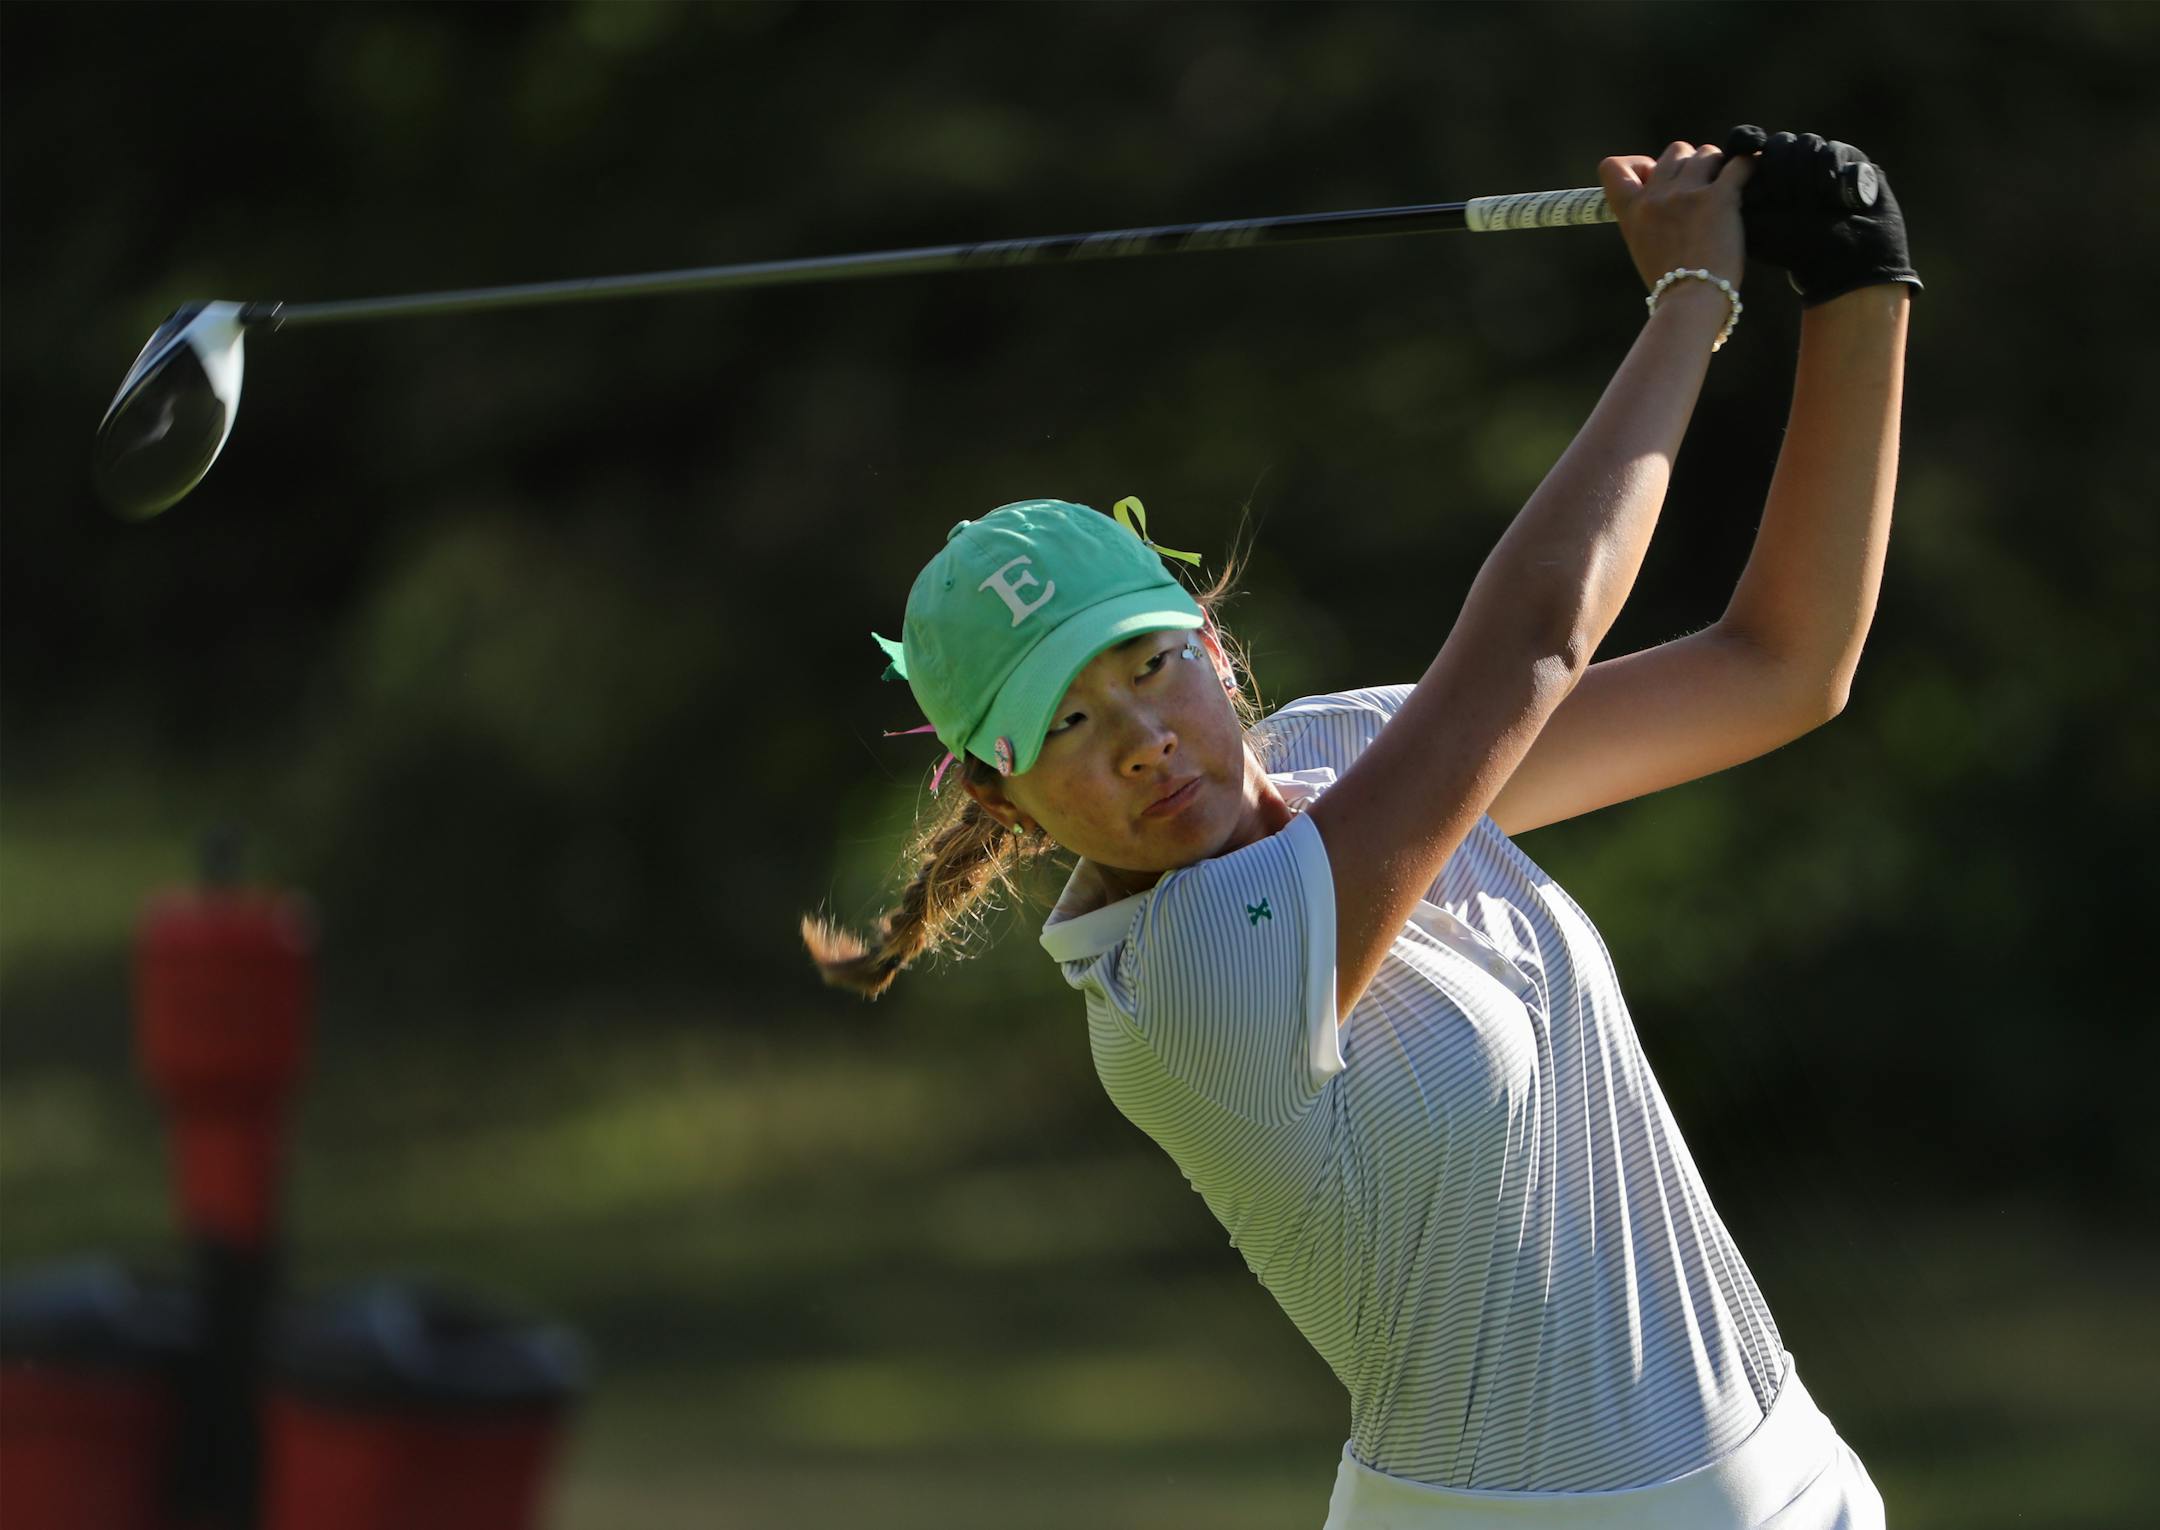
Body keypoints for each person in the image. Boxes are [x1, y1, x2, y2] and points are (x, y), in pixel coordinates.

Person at [804, 128, 1915, 1529]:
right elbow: (1531, 641)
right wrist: (1691, 300)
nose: (1144, 738)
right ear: (1001, 794)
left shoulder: (1338, 748)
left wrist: (1864, 290)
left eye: (1148, 665)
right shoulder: (1179, 981)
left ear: (1212, 641)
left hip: (1800, 1480)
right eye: (1068, 724)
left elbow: (1781, 665)